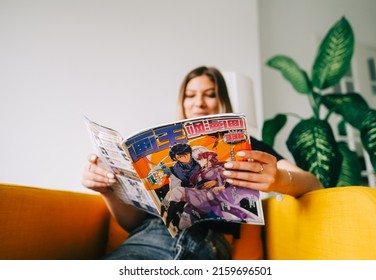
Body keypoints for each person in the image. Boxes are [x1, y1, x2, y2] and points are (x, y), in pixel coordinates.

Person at [81, 66, 323, 260]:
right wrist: (108, 191)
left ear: (222, 101)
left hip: (207, 241)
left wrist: (280, 179)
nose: (199, 103)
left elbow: (313, 183)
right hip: (148, 235)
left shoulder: (245, 144)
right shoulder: (163, 154)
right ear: (183, 102)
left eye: (210, 94)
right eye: (190, 95)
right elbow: (132, 223)